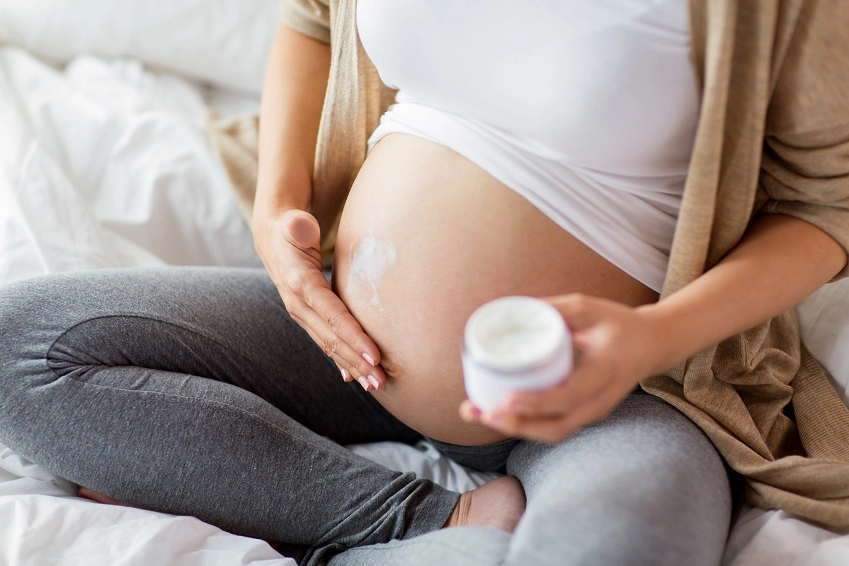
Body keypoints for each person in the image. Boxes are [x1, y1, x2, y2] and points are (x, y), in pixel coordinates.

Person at [1, 1, 848, 565]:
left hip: (612, 389)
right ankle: (417, 525)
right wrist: (277, 207)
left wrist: (651, 338)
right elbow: (312, 19)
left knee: (620, 548)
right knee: (23, 348)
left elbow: (826, 202)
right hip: (339, 339)